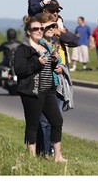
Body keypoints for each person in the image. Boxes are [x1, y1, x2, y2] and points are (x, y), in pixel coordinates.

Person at [14, 16, 67, 162]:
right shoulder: (23, 49)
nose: (39, 31)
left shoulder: (45, 47)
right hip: (32, 92)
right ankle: (31, 157)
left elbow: (47, 68)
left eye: (41, 28)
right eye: (35, 29)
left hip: (48, 91)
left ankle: (58, 156)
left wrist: (55, 66)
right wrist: (37, 63)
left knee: (57, 121)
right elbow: (19, 70)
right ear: (28, 31)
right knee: (32, 124)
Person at [36, 13, 75, 158]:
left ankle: (52, 152)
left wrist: (59, 67)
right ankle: (45, 152)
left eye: (54, 25)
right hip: (43, 87)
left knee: (55, 121)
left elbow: (74, 40)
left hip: (55, 85)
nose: (53, 28)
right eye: (50, 26)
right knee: (45, 122)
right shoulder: (38, 44)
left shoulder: (54, 42)